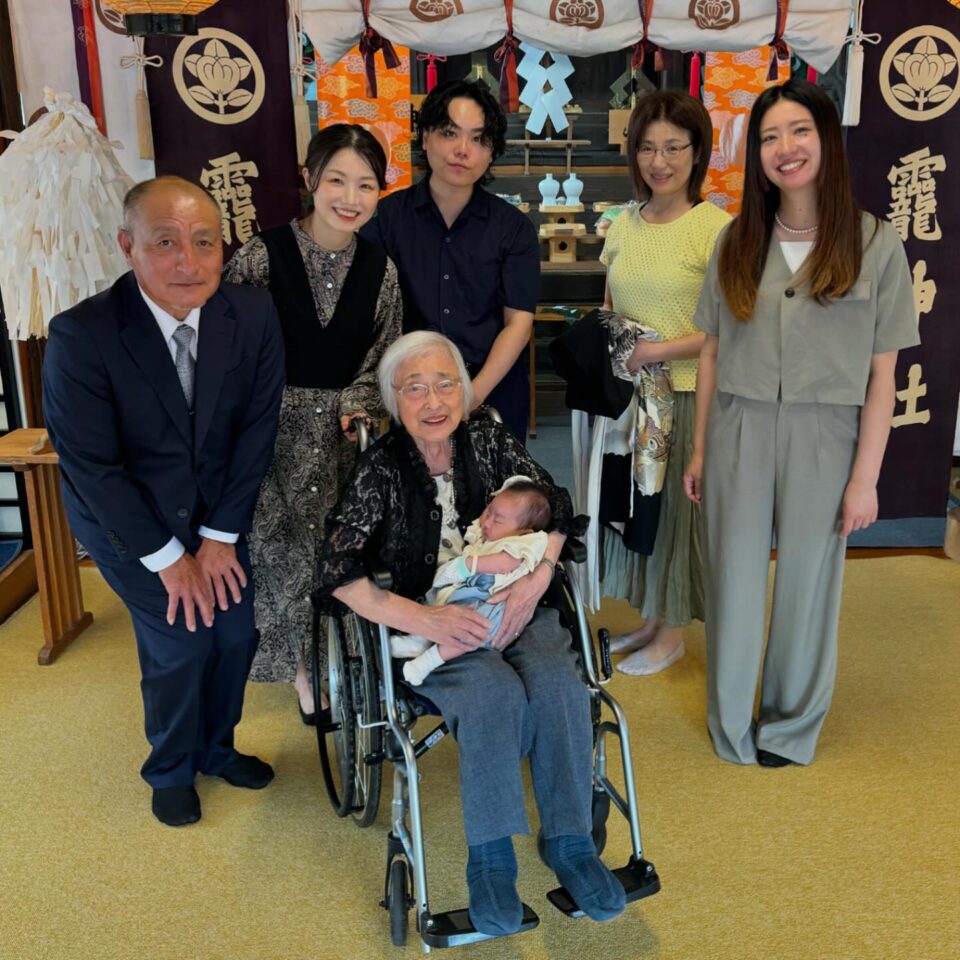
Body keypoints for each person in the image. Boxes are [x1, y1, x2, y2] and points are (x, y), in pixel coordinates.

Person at [315, 331, 625, 935]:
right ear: (394, 400)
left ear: (464, 389)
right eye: (415, 387)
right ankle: (491, 861)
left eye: (446, 383)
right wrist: (424, 619)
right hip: (443, 623)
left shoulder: (488, 438)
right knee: (494, 695)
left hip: (516, 605)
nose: (434, 401)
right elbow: (335, 570)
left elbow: (556, 505)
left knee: (562, 681)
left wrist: (536, 580)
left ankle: (569, 844)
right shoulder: (380, 468)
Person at [683, 78, 919, 767]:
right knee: (733, 577)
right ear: (756, 153)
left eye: (799, 132)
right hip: (738, 430)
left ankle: (788, 725)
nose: (784, 149)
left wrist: (865, 480)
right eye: (768, 137)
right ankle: (731, 723)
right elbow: (713, 352)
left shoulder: (874, 243)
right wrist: (699, 451)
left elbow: (884, 374)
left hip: (827, 436)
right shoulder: (736, 239)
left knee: (809, 581)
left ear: (827, 141)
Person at [42, 176, 285, 826]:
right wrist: (167, 557)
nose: (189, 261)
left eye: (204, 242)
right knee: (183, 641)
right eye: (166, 243)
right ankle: (170, 768)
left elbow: (258, 429)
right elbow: (94, 467)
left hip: (215, 518)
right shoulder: (81, 335)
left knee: (235, 632)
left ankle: (216, 747)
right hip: (130, 522)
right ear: (128, 246)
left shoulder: (252, 314)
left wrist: (220, 536)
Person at [223, 124, 402, 725]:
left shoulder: (381, 269)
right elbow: (230, 350)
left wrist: (358, 402)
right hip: (269, 433)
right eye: (337, 181)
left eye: (366, 185)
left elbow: (387, 352)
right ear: (309, 180)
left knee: (338, 550)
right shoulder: (259, 255)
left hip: (346, 434)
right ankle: (303, 673)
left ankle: (342, 653)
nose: (350, 197)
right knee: (281, 554)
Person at [596, 91, 730, 675]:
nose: (660, 160)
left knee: (677, 511)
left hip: (685, 393)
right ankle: (652, 617)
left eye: (675, 146)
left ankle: (672, 631)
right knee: (639, 507)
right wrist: (622, 350)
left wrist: (654, 350)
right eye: (648, 147)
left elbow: (729, 329)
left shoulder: (715, 227)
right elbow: (608, 302)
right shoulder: (624, 223)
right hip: (633, 397)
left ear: (697, 153)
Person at [361, 79, 539, 440]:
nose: (462, 150)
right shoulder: (384, 220)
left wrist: (470, 396)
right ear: (425, 137)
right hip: (411, 395)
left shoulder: (514, 228)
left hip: (491, 390)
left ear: (491, 152)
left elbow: (518, 324)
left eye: (478, 139)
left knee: (495, 494)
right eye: (450, 133)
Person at [392, 477, 552, 685]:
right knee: (438, 603)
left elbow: (504, 564)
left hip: (492, 605)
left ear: (524, 531)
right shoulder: (491, 533)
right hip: (471, 590)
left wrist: (468, 565)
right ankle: (419, 640)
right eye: (488, 511)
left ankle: (426, 662)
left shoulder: (526, 542)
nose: (486, 522)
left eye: (497, 520)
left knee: (468, 630)